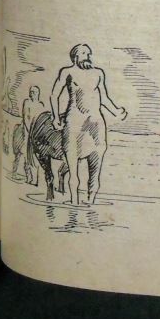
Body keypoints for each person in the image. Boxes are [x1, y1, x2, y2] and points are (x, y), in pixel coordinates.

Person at [50, 44, 126, 205]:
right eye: (84, 53)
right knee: (72, 165)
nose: (88, 56)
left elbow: (104, 98)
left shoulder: (98, 73)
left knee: (96, 163)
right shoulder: (67, 72)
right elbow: (54, 95)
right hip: (74, 121)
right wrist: (56, 117)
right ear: (75, 56)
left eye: (89, 53)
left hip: (96, 123)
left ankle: (90, 201)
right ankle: (74, 201)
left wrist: (116, 111)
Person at [21, 85, 46, 185]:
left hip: (37, 134)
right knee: (28, 156)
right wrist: (30, 132)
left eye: (34, 92)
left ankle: (36, 180)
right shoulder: (27, 102)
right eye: (31, 92)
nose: (32, 94)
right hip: (28, 132)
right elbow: (26, 118)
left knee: (37, 156)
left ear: (38, 93)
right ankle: (29, 178)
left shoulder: (41, 105)